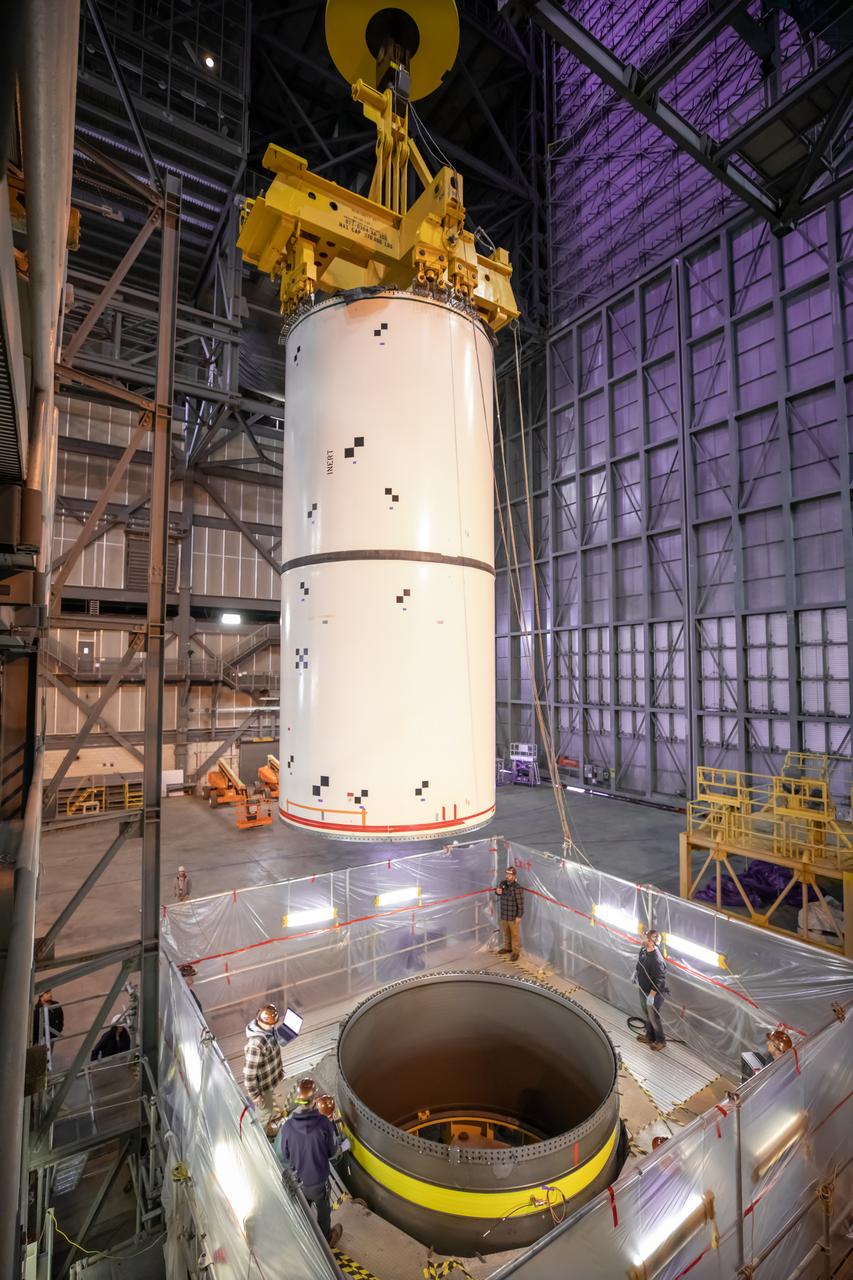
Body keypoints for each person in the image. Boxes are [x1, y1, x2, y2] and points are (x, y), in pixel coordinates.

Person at [275, 1079, 342, 1248]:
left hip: (299, 1181)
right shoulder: (324, 1124)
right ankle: (326, 1239)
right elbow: (332, 1152)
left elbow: (285, 1155)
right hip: (319, 1182)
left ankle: (306, 1240)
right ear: (314, 1101)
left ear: (298, 1100)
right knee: (324, 1211)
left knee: (304, 1210)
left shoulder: (287, 1127)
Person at [243, 1004, 287, 1131]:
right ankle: (261, 1134)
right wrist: (255, 1095)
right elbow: (249, 1076)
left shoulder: (268, 1030)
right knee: (264, 1113)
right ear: (260, 1021)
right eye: (270, 1024)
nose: (273, 1026)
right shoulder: (255, 1045)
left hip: (270, 1080)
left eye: (274, 1024)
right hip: (263, 1089)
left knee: (269, 1107)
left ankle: (268, 1123)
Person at [635, 928, 668, 1051]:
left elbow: (659, 980)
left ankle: (661, 1041)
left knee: (653, 1017)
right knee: (647, 1014)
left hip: (653, 994)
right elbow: (640, 964)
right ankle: (650, 1036)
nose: (641, 938)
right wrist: (636, 973)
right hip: (643, 989)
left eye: (644, 937)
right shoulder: (643, 950)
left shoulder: (656, 959)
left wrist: (652, 995)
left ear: (650, 941)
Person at [495, 865, 524, 961]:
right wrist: (497, 891)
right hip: (504, 914)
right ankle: (507, 948)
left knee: (514, 935)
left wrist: (519, 916)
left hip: (512, 916)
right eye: (507, 874)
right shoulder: (503, 883)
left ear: (514, 876)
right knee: (506, 932)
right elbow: (498, 892)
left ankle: (516, 952)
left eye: (509, 875)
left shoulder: (517, 888)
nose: (507, 876)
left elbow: (520, 903)